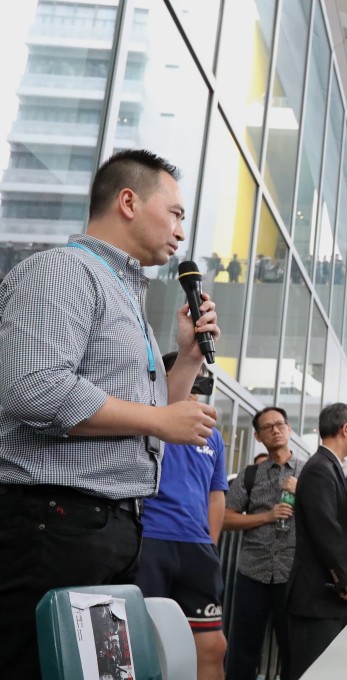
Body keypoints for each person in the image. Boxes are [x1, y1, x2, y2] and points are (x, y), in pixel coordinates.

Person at [0, 149, 219, 680]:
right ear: (128, 202)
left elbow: (148, 416)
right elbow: (33, 388)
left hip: (107, 528)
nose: (180, 231)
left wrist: (188, 358)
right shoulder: (63, 271)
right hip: (54, 525)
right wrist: (158, 421)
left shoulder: (123, 293)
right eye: (175, 213)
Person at [135, 354, 229, 680]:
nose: (195, 388)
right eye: (190, 378)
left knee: (212, 646)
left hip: (197, 548)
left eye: (201, 381)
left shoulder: (213, 436)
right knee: (142, 643)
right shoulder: (146, 420)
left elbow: (216, 495)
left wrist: (210, 545)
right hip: (149, 540)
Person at [286, 403, 347, 679]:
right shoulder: (320, 468)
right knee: (312, 671)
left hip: (327, 597)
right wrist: (346, 579)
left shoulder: (330, 466)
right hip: (317, 596)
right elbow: (325, 529)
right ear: (345, 428)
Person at [223, 407, 303, 680]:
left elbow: (326, 515)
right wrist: (266, 517)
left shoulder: (308, 471)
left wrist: (302, 491)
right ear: (258, 436)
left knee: (293, 650)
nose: (275, 430)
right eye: (267, 427)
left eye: (280, 424)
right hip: (253, 572)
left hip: (293, 574)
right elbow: (225, 518)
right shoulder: (250, 474)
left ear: (289, 429)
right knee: (243, 649)